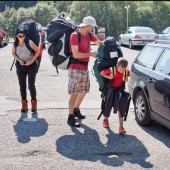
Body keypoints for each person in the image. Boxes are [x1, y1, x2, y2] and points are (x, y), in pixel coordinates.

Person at [67, 16, 102, 127]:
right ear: (87, 25)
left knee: (84, 90)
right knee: (74, 92)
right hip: (75, 68)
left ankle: (76, 109)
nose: (93, 28)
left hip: (84, 67)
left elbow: (99, 43)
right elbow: (76, 54)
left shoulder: (89, 34)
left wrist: (108, 44)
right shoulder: (74, 35)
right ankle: (70, 116)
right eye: (92, 26)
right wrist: (91, 54)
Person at [12, 28, 39, 115]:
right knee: (22, 85)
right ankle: (24, 105)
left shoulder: (29, 42)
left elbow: (37, 51)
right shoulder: (15, 43)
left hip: (31, 66)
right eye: (20, 36)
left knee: (31, 85)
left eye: (23, 36)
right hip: (20, 66)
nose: (21, 38)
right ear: (16, 36)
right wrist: (19, 60)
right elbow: (13, 53)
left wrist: (31, 61)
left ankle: (34, 104)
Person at [100, 58, 130, 134]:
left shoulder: (126, 71)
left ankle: (121, 127)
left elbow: (129, 75)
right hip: (111, 90)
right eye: (121, 69)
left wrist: (126, 79)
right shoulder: (112, 70)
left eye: (124, 69)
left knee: (121, 106)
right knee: (108, 105)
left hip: (120, 90)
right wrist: (109, 77)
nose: (122, 71)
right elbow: (102, 73)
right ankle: (105, 119)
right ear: (117, 65)